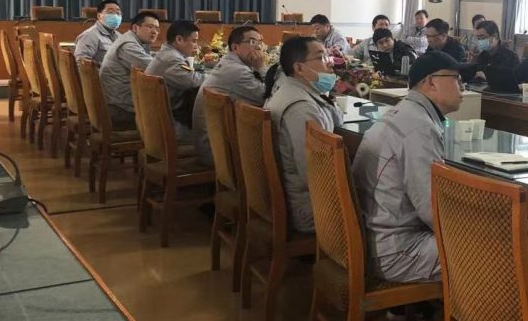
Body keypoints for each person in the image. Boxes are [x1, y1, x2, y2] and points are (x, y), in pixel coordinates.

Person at [352, 52, 464, 283]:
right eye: (456, 78)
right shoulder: (419, 127)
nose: (462, 86)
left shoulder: (404, 112)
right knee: (495, 252)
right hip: (396, 251)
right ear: (431, 82)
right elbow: (432, 210)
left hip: (374, 236)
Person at [265, 36, 343, 233]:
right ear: (299, 68)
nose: (330, 63)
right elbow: (315, 174)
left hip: (295, 195)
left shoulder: (290, 90)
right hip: (308, 207)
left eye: (328, 57)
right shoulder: (302, 109)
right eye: (322, 57)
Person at [191, 25, 268, 165]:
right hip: (217, 153)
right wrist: (261, 67)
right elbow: (266, 97)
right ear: (235, 47)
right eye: (252, 42)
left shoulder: (230, 63)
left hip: (212, 144)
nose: (258, 47)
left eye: (260, 42)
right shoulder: (236, 71)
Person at [99, 11, 160, 129]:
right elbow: (155, 69)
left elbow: (150, 59)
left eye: (157, 29)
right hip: (119, 109)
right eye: (150, 27)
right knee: (172, 107)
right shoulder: (128, 45)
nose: (154, 32)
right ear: (136, 28)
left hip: (118, 102)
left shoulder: (130, 39)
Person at [146, 20, 204, 130]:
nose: (196, 45)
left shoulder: (167, 52)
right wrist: (216, 77)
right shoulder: (172, 59)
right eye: (194, 41)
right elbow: (193, 81)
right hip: (168, 123)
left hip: (159, 115)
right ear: (179, 39)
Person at [74, 0, 122, 64]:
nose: (115, 16)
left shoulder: (120, 36)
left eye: (118, 13)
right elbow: (81, 63)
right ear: (99, 16)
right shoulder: (89, 36)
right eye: (110, 12)